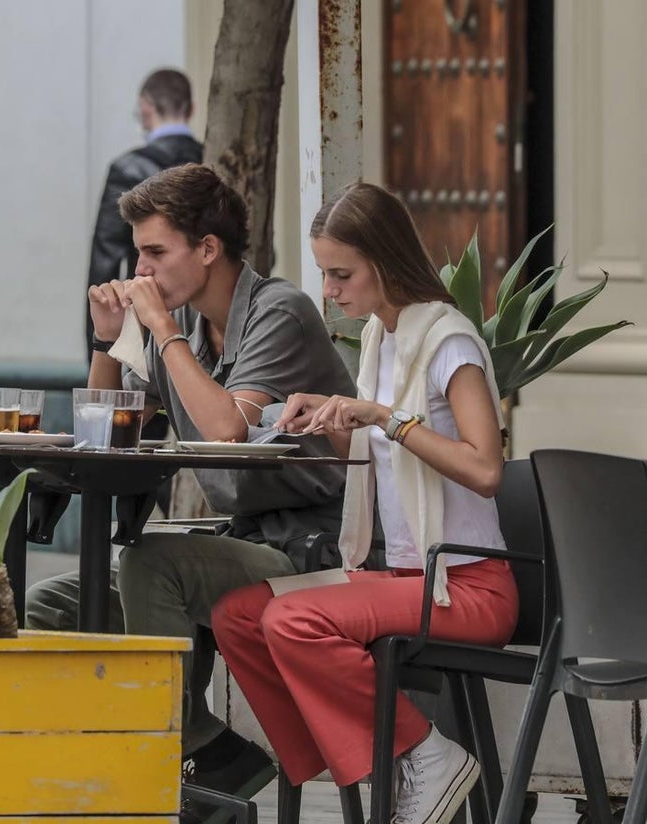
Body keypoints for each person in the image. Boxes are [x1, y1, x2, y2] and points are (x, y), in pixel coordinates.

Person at [27, 164, 356, 810]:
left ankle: (176, 764)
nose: (140, 269)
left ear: (207, 248)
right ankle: (177, 751)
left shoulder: (277, 312)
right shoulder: (176, 324)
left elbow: (227, 429)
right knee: (53, 606)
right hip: (243, 540)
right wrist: (106, 341)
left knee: (153, 563)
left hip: (316, 548)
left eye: (155, 252)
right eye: (138, 253)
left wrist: (162, 331)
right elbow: (105, 432)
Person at [212, 182, 518, 824]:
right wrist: (331, 419)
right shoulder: (383, 338)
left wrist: (384, 416)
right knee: (238, 616)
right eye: (324, 274)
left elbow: (486, 469)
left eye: (341, 274)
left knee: (293, 621)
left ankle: (424, 756)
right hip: (407, 577)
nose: (329, 290)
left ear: (384, 260)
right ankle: (381, 763)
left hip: (467, 586)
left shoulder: (450, 342)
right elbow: (376, 455)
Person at [85, 68, 202, 361]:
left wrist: (99, 346)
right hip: (208, 317)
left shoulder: (128, 169)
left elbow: (105, 261)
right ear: (191, 109)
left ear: (146, 109)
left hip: (146, 317)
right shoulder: (214, 161)